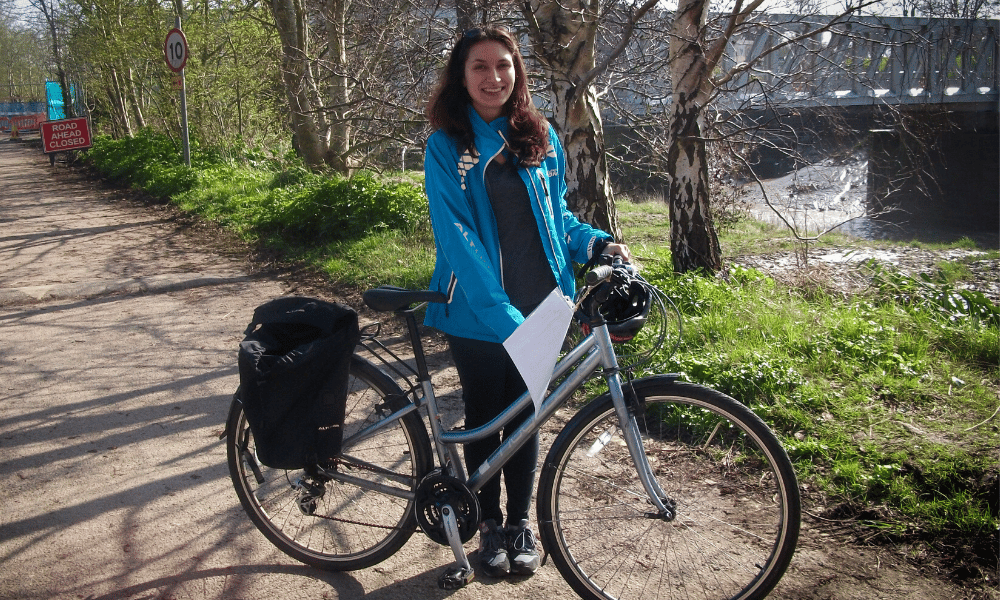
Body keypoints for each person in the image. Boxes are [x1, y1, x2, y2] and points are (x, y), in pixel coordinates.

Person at [423, 26, 630, 577]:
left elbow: (555, 217)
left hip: (543, 303)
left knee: (527, 420)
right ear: (460, 77)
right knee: (488, 418)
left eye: (504, 66)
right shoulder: (448, 147)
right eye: (479, 68)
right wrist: (504, 319)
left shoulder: (538, 136)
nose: (493, 78)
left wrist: (595, 243)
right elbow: (458, 239)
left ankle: (520, 523)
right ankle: (487, 522)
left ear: (517, 72)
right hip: (479, 312)